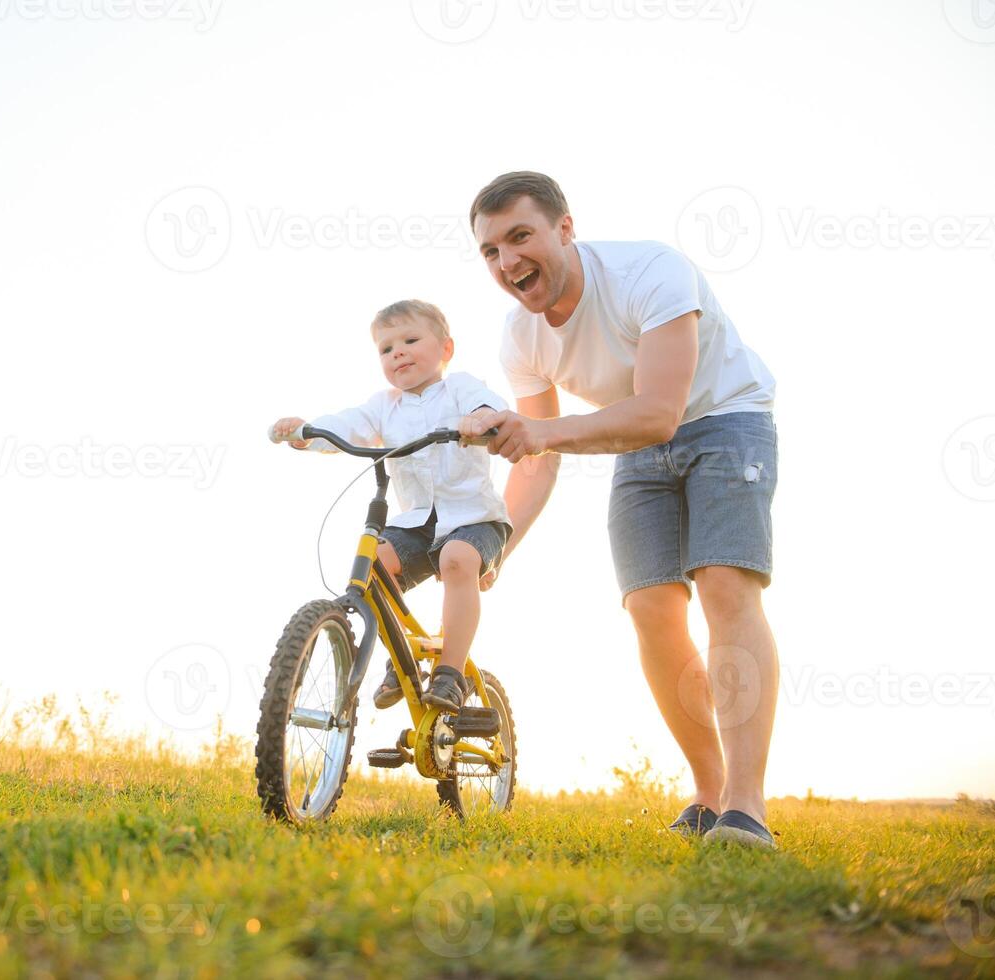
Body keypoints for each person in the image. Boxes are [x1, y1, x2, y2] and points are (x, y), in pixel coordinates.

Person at [459, 171, 781, 848]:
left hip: (723, 420)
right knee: (649, 607)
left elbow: (659, 413)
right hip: (630, 443)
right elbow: (535, 455)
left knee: (724, 585)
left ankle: (746, 807)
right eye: (490, 251)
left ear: (564, 229)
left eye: (520, 236)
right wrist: (498, 546)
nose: (507, 261)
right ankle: (709, 791)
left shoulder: (648, 271)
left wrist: (541, 432)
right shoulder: (521, 337)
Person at [271, 299, 511, 712]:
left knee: (456, 558)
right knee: (374, 567)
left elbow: (490, 405)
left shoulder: (460, 388)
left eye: (411, 340)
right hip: (417, 523)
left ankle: (449, 674)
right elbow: (349, 425)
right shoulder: (385, 406)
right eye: (386, 348)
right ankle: (402, 658)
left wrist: (481, 420)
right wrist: (308, 432)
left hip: (475, 520)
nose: (397, 351)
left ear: (445, 350)